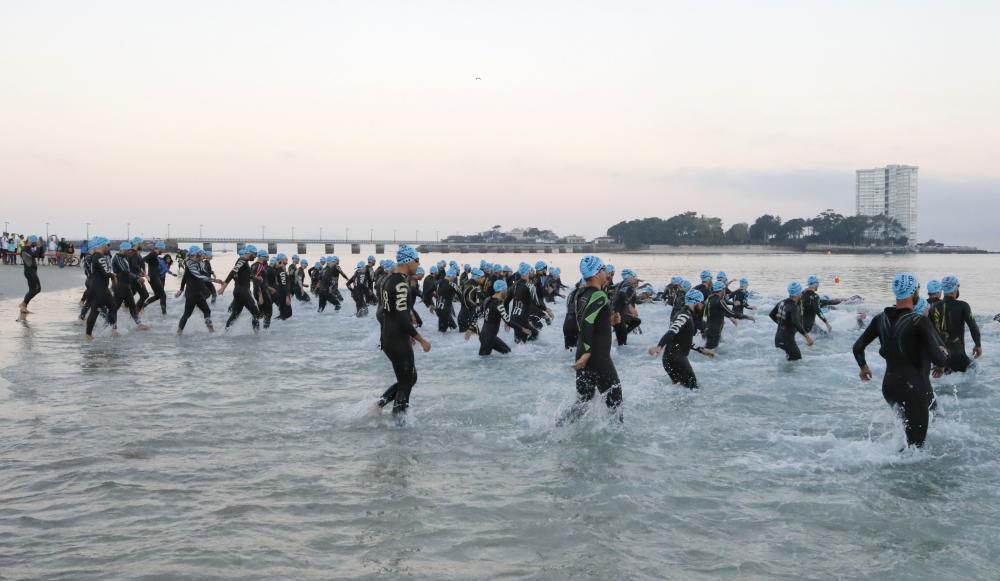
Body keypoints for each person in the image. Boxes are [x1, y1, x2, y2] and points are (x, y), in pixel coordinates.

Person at [853, 273, 950, 448]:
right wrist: (944, 355)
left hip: (889, 387)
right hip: (913, 388)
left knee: (905, 437)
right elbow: (938, 358)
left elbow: (858, 347)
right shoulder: (919, 321)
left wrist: (863, 367)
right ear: (914, 292)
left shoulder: (880, 319)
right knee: (916, 448)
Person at [558, 255, 623, 425]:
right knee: (615, 404)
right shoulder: (599, 295)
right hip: (597, 356)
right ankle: (617, 444)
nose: (606, 273)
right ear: (596, 273)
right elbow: (586, 322)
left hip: (583, 352)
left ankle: (558, 427)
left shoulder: (580, 293)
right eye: (603, 270)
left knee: (583, 401)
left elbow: (588, 321)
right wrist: (588, 353)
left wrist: (610, 321)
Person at [373, 245, 431, 422]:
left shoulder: (387, 279)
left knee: (410, 377)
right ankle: (399, 424)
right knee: (407, 381)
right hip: (396, 338)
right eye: (417, 260)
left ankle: (379, 405)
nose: (418, 263)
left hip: (390, 336)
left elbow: (381, 313)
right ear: (408, 261)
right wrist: (420, 339)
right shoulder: (400, 284)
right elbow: (402, 319)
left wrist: (391, 332)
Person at [648, 288, 707, 389]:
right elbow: (672, 331)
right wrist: (659, 346)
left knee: (680, 389)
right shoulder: (684, 316)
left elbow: (683, 339)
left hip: (670, 358)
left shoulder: (684, 314)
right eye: (701, 303)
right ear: (696, 302)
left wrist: (701, 350)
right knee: (693, 389)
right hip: (676, 359)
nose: (702, 306)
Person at [927, 275, 982, 374]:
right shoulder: (963, 306)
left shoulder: (933, 308)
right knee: (975, 369)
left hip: (940, 360)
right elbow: (973, 327)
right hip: (959, 358)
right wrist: (978, 345)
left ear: (943, 289)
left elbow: (929, 334)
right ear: (956, 288)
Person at [220, 245, 262, 332]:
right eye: (254, 254)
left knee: (235, 315)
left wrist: (256, 278)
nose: (255, 256)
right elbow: (233, 272)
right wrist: (224, 287)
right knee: (256, 314)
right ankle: (257, 335)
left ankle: (225, 333)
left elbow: (248, 276)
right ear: (250, 252)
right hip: (243, 291)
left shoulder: (244, 262)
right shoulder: (242, 260)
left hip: (239, 291)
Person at [175, 247, 217, 334]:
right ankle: (179, 332)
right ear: (196, 254)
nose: (202, 255)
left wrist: (181, 290)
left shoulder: (196, 263)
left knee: (206, 311)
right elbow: (186, 278)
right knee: (188, 314)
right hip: (192, 293)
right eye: (200, 254)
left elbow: (203, 273)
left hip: (197, 293)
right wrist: (181, 289)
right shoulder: (190, 264)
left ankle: (211, 330)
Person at [769, 282, 814, 361]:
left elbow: (771, 314)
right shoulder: (794, 307)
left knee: (789, 362)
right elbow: (796, 322)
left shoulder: (782, 302)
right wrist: (807, 337)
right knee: (797, 361)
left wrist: (781, 323)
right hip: (787, 340)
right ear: (798, 293)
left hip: (778, 338)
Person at [83, 237, 118, 340]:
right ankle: (110, 330)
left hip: (96, 287)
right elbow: (106, 272)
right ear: (102, 246)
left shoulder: (94, 256)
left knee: (109, 308)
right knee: (101, 309)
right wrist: (114, 277)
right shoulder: (100, 257)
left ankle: (111, 330)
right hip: (100, 288)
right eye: (108, 245)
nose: (109, 247)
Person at [704, 279, 752, 350]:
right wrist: (747, 316)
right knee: (711, 354)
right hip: (715, 331)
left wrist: (730, 317)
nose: (725, 291)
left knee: (708, 352)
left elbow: (719, 311)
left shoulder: (709, 299)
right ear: (722, 290)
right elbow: (731, 312)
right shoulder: (720, 301)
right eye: (724, 289)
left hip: (707, 328)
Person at [479, 279, 521, 356]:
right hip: (489, 338)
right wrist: (522, 329)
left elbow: (478, 314)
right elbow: (508, 321)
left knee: (508, 352)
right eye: (506, 290)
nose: (507, 292)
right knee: (483, 363)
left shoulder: (487, 300)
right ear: (502, 290)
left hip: (485, 335)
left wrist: (471, 328)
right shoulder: (498, 304)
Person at [612, 269, 643, 346]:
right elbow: (623, 294)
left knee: (636, 321)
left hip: (617, 314)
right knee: (622, 343)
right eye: (635, 280)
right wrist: (630, 307)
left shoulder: (621, 284)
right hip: (619, 316)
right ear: (630, 279)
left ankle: (622, 334)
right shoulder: (628, 287)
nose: (637, 283)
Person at [17, 235, 42, 317]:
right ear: (30, 241)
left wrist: (40, 247)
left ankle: (24, 305)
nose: (34, 243)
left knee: (37, 289)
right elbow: (34, 255)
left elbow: (39, 255)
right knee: (34, 289)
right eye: (33, 242)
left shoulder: (29, 249)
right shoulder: (25, 249)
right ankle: (23, 304)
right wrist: (38, 247)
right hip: (29, 271)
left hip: (32, 271)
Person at [142, 241, 168, 315]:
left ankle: (143, 306)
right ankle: (164, 314)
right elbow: (142, 260)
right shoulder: (153, 254)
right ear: (159, 248)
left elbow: (147, 261)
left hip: (154, 277)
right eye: (163, 249)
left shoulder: (155, 255)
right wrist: (144, 272)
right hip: (153, 278)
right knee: (163, 295)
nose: (163, 251)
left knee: (157, 295)